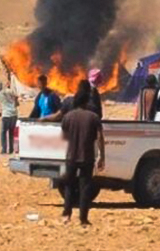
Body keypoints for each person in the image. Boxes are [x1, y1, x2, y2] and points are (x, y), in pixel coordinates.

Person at [60, 86, 105, 226]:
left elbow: (64, 136)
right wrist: (102, 156)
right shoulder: (93, 117)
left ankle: (66, 215)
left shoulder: (67, 117)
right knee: (85, 187)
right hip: (87, 156)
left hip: (71, 156)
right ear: (87, 101)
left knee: (68, 185)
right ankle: (83, 219)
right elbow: (100, 138)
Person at [0, 81, 19, 155]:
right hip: (14, 113)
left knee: (3, 133)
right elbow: (16, 97)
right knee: (11, 132)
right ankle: (11, 149)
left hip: (6, 115)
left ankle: (4, 149)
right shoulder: (8, 90)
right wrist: (15, 103)